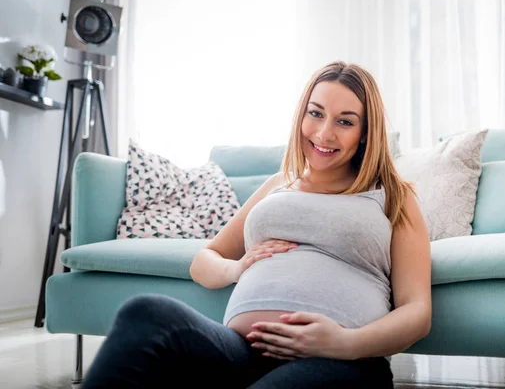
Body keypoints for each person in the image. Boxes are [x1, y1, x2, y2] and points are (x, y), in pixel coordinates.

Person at [82, 61, 432, 388]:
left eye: (345, 121)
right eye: (316, 114)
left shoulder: (392, 197)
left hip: (342, 360)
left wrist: (346, 342)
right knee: (145, 313)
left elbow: (417, 311)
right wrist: (236, 269)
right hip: (238, 351)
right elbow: (204, 260)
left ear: (365, 134)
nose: (324, 133)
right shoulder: (279, 185)